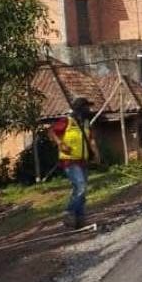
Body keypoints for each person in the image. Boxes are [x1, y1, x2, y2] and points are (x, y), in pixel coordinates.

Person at [49, 97, 98, 230]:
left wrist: (96, 155)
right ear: (80, 109)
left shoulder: (87, 123)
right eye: (87, 107)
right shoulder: (67, 121)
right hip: (69, 161)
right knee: (81, 186)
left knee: (80, 190)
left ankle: (79, 220)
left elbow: (91, 140)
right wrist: (60, 144)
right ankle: (69, 212)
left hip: (83, 161)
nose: (89, 110)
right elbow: (52, 131)